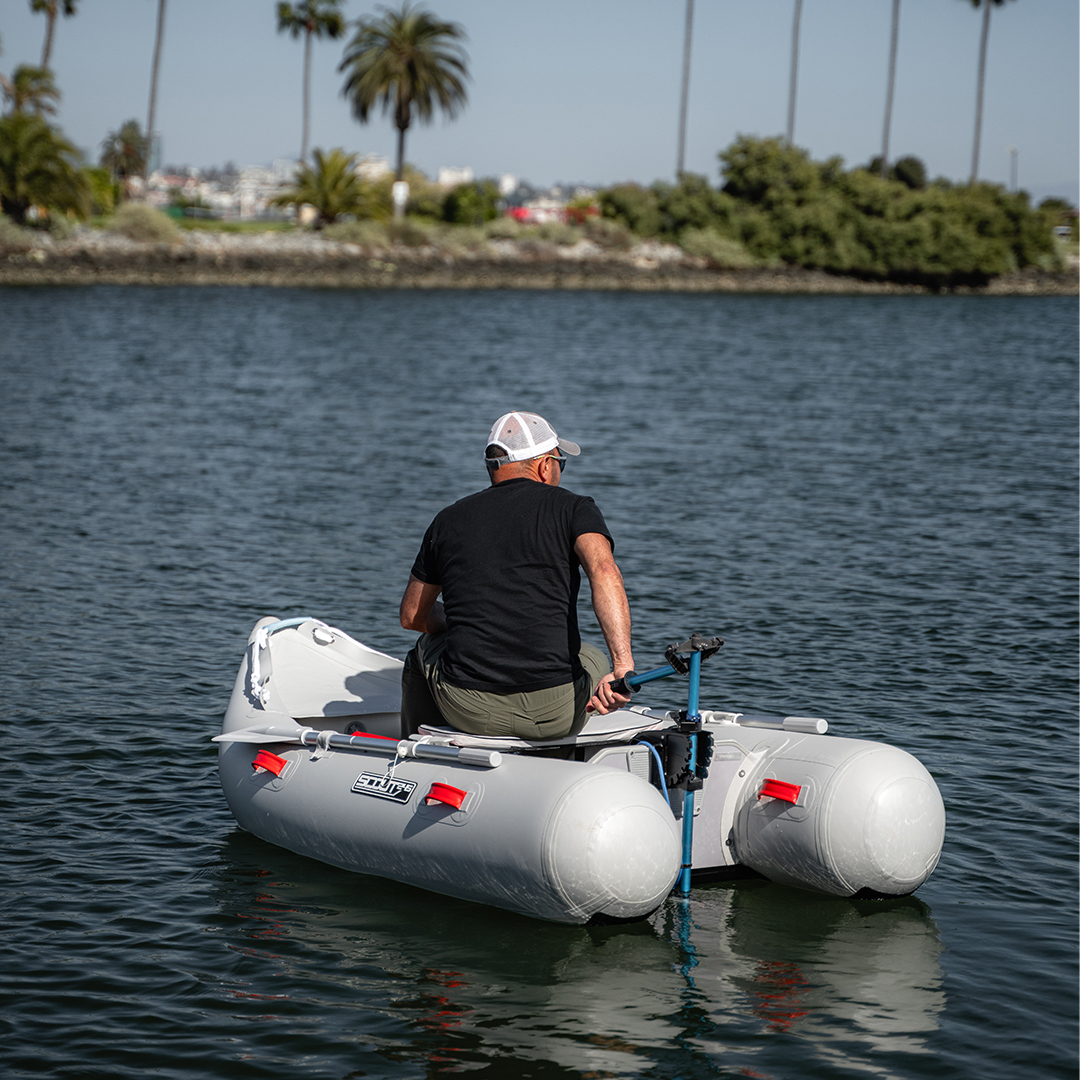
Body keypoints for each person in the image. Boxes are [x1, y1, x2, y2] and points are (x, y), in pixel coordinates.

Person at [398, 410, 634, 741]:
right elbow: (604, 570)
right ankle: (562, 752)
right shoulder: (574, 509)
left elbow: (411, 616)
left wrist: (467, 622)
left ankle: (415, 752)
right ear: (544, 465)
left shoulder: (447, 520)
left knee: (424, 649)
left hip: (468, 710)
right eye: (561, 463)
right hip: (556, 714)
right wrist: (623, 666)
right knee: (591, 655)